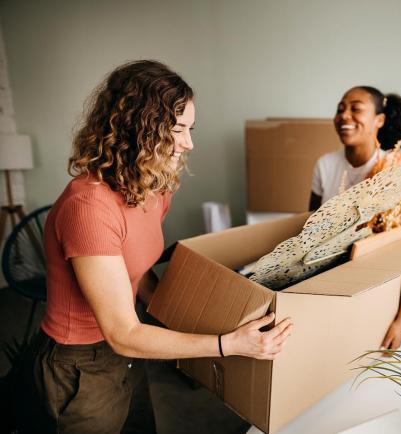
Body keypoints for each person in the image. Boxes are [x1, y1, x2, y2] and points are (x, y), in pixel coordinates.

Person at [13, 60, 293, 434]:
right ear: (136, 127)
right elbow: (123, 332)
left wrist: (181, 316)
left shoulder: (152, 188)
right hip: (79, 365)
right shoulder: (88, 208)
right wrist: (228, 344)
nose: (188, 143)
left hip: (127, 356)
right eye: (177, 129)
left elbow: (138, 271)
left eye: (190, 128)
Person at [309, 85, 401, 352]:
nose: (344, 115)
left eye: (356, 109)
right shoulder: (325, 165)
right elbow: (308, 233)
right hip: (326, 286)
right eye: (340, 108)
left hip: (377, 295)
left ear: (379, 120)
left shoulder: (394, 170)